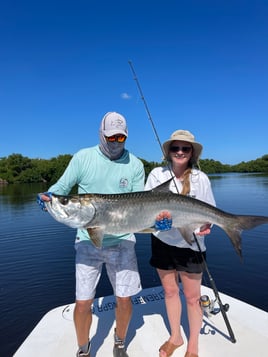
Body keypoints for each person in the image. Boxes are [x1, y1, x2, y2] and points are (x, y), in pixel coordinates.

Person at [37, 112, 145, 357]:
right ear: (101, 134)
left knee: (125, 299)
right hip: (87, 240)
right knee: (83, 302)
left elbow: (140, 203)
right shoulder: (83, 158)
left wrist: (156, 221)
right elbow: (60, 189)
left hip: (123, 241)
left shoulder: (135, 164)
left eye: (121, 137)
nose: (116, 142)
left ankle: (119, 343)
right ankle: (84, 349)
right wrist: (49, 196)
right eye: (111, 137)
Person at [144, 130, 216, 357]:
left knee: (193, 298)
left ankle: (193, 345)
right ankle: (175, 336)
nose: (180, 152)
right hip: (162, 241)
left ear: (192, 153)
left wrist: (208, 226)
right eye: (175, 148)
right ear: (169, 151)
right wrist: (157, 222)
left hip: (191, 245)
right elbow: (146, 207)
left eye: (185, 148)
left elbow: (209, 213)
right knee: (170, 291)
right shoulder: (157, 174)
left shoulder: (200, 178)